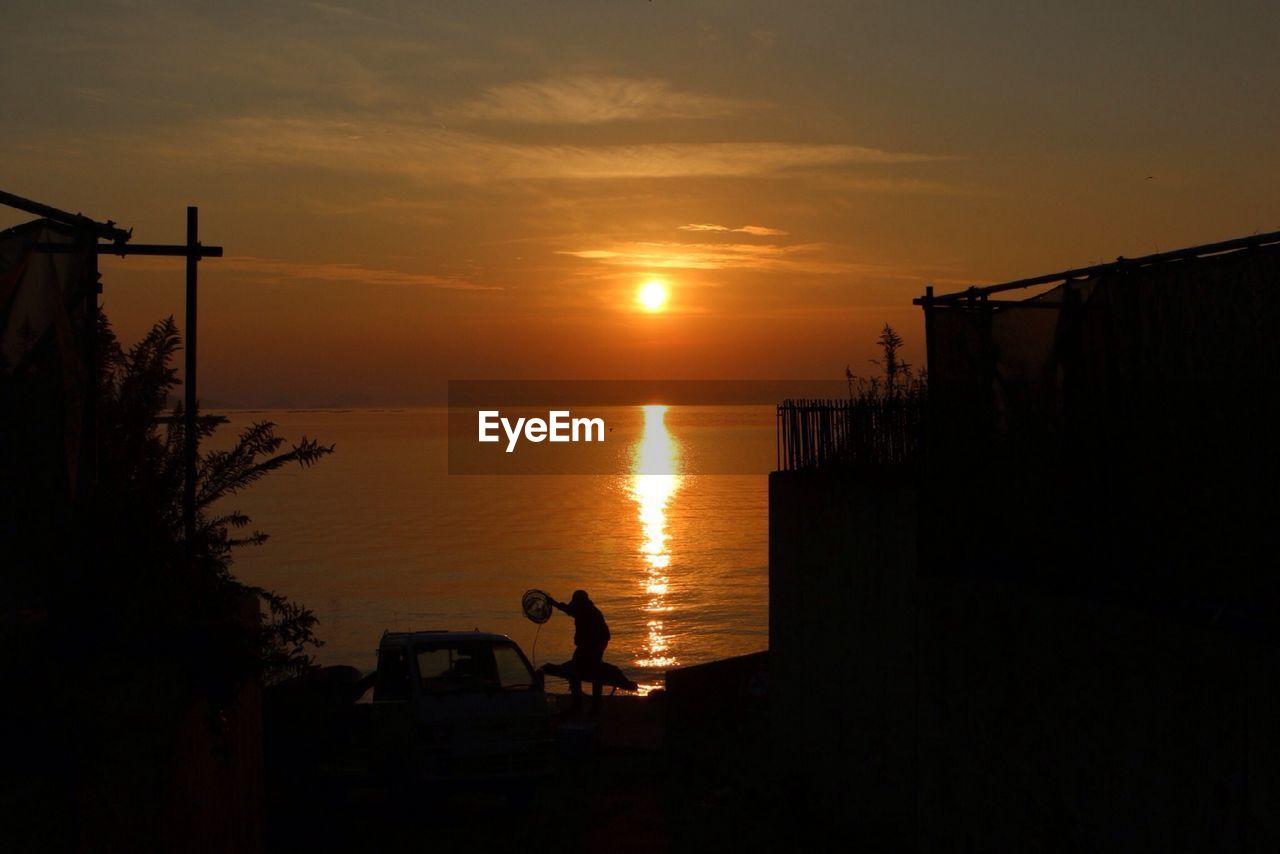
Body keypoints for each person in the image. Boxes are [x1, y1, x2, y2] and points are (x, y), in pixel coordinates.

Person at [548, 589, 611, 712]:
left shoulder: (585, 611)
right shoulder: (589, 609)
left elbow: (568, 610)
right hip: (593, 645)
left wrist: (553, 603)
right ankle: (591, 704)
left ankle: (582, 704)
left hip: (593, 645)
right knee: (590, 672)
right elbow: (569, 610)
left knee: (579, 671)